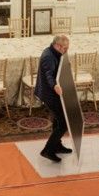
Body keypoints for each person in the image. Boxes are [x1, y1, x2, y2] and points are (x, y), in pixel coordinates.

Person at [36, 34, 72, 162]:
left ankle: (57, 145)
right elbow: (49, 75)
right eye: (65, 48)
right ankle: (48, 150)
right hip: (49, 93)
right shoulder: (48, 57)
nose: (66, 51)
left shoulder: (55, 53)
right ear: (57, 45)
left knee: (58, 120)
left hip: (53, 92)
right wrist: (55, 85)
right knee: (64, 123)